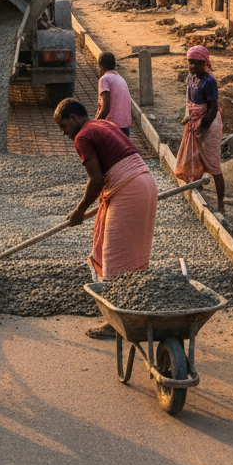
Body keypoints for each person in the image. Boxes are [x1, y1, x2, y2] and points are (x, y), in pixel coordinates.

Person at [54, 98, 158, 338]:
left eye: (63, 127)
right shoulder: (103, 124)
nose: (64, 134)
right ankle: (132, 310)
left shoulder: (83, 137)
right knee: (130, 253)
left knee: (115, 254)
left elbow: (97, 179)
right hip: (144, 183)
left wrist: (80, 210)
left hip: (130, 188)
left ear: (73, 118)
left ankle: (116, 321)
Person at [175, 46, 225, 213]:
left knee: (214, 164)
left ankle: (220, 204)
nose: (193, 67)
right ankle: (198, 187)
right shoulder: (191, 77)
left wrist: (202, 126)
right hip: (195, 122)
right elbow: (189, 101)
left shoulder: (209, 81)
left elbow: (212, 109)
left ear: (205, 63)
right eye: (190, 63)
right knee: (195, 156)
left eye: (196, 63)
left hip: (208, 125)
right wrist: (190, 118)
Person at [95, 52, 132, 137]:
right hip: (125, 127)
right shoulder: (120, 78)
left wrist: (94, 124)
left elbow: (105, 109)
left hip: (112, 127)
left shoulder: (104, 79)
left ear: (100, 67)